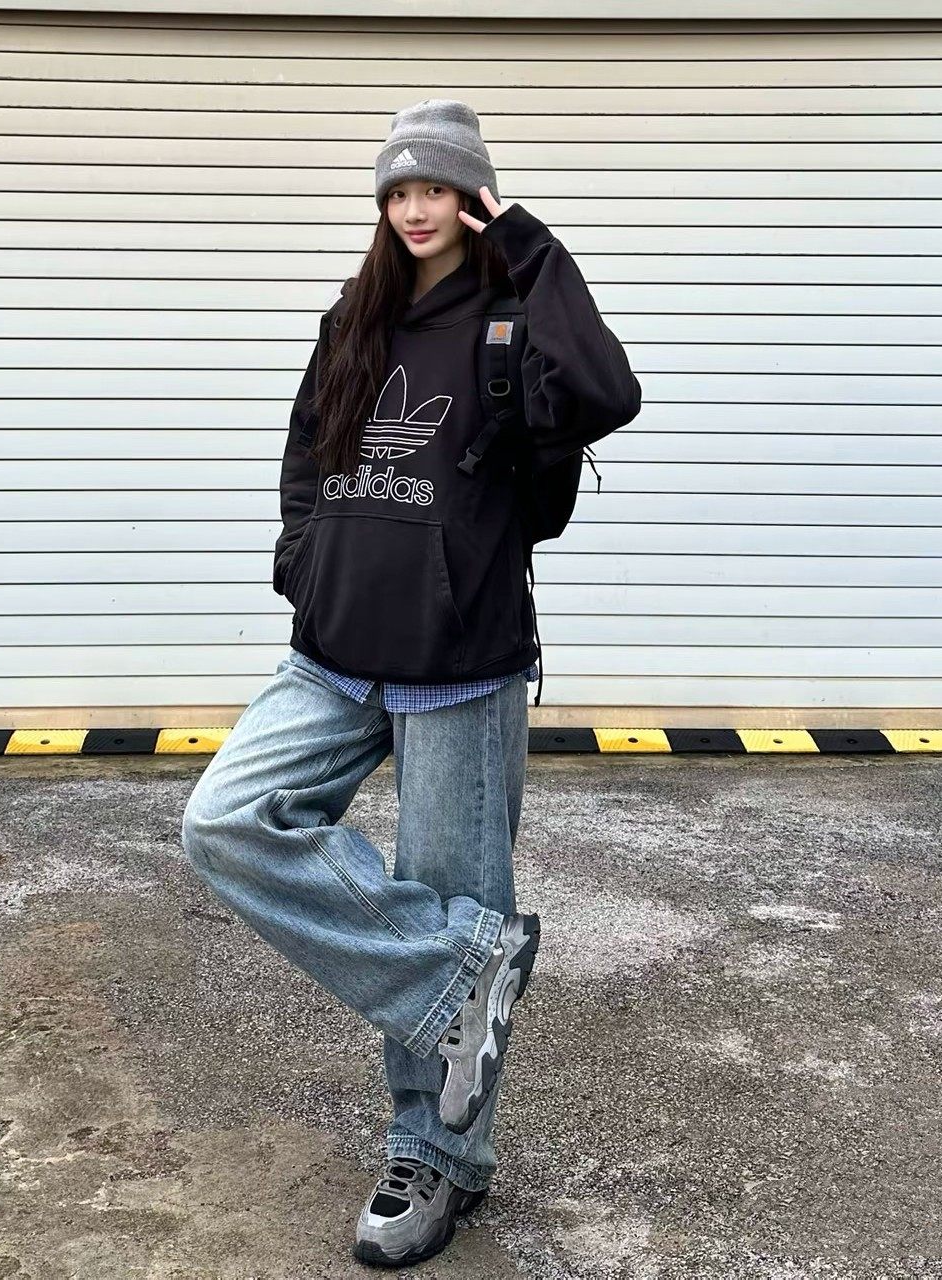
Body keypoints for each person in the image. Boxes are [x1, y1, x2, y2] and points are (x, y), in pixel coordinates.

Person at [181, 99, 641, 1268]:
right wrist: (301, 562)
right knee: (225, 819)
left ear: (472, 195)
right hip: (333, 646)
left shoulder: (511, 314)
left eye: (435, 187)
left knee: (450, 886)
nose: (414, 208)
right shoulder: (355, 313)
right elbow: (306, 450)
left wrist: (526, 242)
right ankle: (458, 976)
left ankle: (432, 1155)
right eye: (396, 191)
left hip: (459, 659)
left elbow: (605, 391)